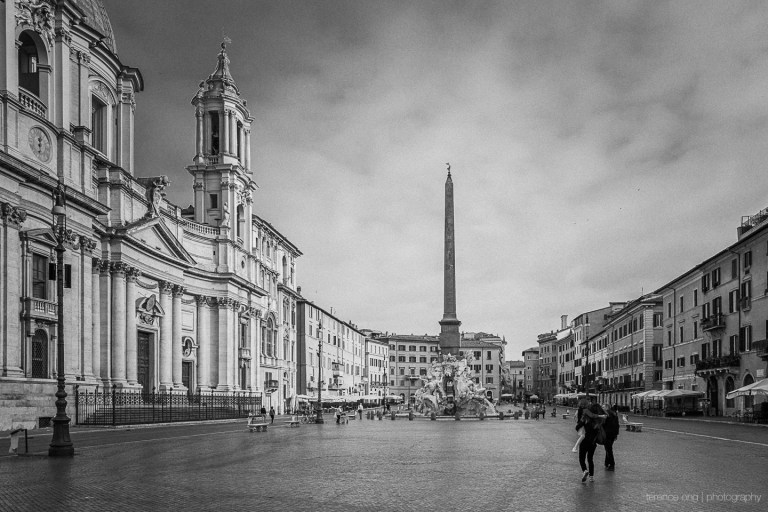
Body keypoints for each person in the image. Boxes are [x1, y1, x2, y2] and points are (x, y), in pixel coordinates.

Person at [578, 397, 607, 483]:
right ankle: (591, 477)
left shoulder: (586, 419)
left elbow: (577, 426)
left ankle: (585, 470)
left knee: (581, 458)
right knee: (590, 459)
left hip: (584, 440)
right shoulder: (599, 422)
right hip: (593, 442)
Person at [603, 404, 620, 470]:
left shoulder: (606, 414)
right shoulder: (614, 414)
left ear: (607, 407)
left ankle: (612, 464)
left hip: (607, 434)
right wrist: (616, 434)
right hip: (613, 434)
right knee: (608, 448)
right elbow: (617, 425)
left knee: (608, 449)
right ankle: (606, 462)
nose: (602, 408)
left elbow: (603, 424)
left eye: (603, 407)